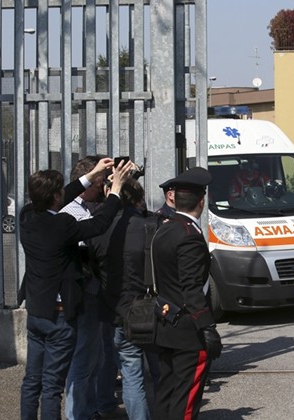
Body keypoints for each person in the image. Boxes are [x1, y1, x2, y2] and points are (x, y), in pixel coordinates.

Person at [19, 158, 132, 420]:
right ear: (56, 196)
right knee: (51, 386)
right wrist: (114, 191)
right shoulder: (62, 225)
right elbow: (99, 224)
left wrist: (91, 175)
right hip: (59, 317)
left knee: (31, 380)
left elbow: (58, 197)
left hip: (36, 312)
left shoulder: (27, 216)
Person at [152, 167, 223, 419]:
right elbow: (191, 287)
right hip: (187, 328)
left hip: (167, 321)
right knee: (186, 399)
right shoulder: (188, 235)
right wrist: (207, 326)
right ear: (201, 201)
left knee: (167, 392)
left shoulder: (165, 228)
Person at [61, 156, 125, 420]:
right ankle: (79, 414)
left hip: (92, 293)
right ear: (87, 184)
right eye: (99, 184)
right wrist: (116, 195)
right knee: (82, 361)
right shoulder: (69, 212)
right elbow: (94, 235)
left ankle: (88, 410)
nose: (102, 189)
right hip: (81, 294)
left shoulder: (86, 206)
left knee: (93, 358)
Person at [88, 178, 151, 420]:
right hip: (143, 308)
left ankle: (104, 404)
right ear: (137, 199)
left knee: (111, 359)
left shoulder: (97, 229)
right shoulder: (147, 227)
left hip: (110, 308)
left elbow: (93, 267)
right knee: (139, 373)